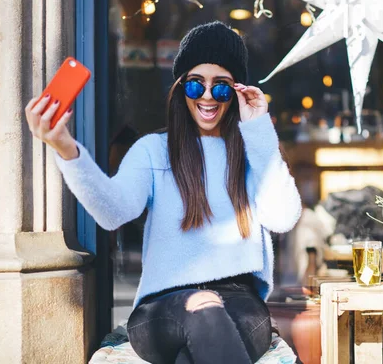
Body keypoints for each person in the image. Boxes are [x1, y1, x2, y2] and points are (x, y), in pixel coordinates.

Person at [25, 21, 302, 364]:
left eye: (221, 88)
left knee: (192, 354)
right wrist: (66, 150)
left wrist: (258, 129)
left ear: (237, 93)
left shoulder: (252, 152)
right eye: (195, 84)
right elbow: (113, 211)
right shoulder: (154, 151)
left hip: (240, 303)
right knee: (202, 311)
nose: (206, 96)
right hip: (163, 306)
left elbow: (283, 216)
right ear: (180, 87)